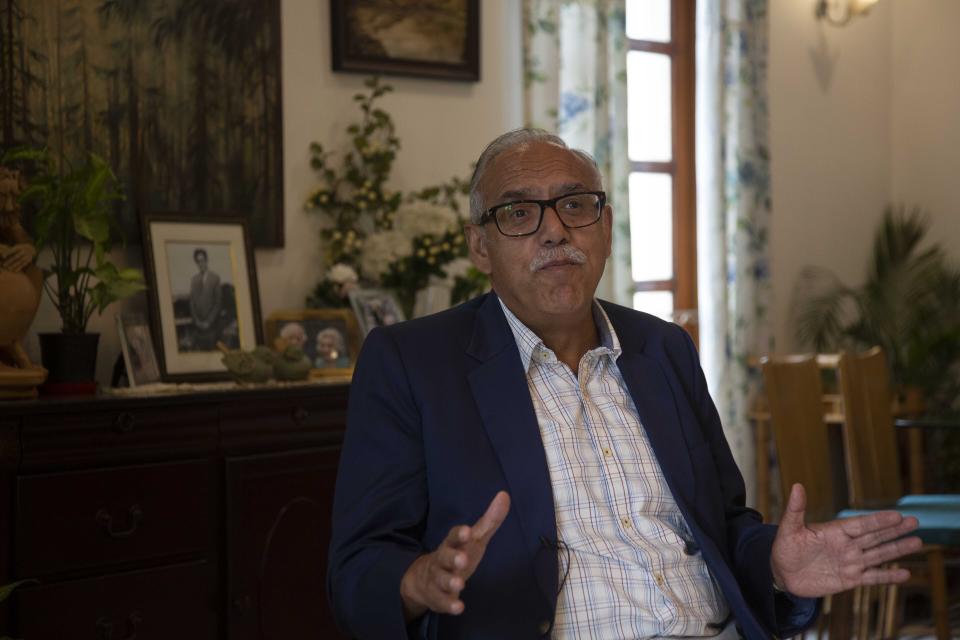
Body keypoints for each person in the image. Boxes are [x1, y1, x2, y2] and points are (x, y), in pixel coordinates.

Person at [327, 129, 922, 639]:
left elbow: (725, 526)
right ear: (479, 245)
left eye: (576, 206)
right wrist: (415, 581)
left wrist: (776, 564)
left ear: (605, 227)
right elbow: (356, 571)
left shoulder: (662, 349)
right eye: (518, 213)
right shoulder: (413, 362)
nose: (555, 231)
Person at [188, 248, 222, 350]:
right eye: (198, 261)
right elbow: (192, 303)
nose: (200, 264)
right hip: (198, 327)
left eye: (202, 260)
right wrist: (197, 321)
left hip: (212, 326)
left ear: (206, 260)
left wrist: (208, 322)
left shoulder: (215, 278)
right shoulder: (194, 280)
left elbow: (218, 303)